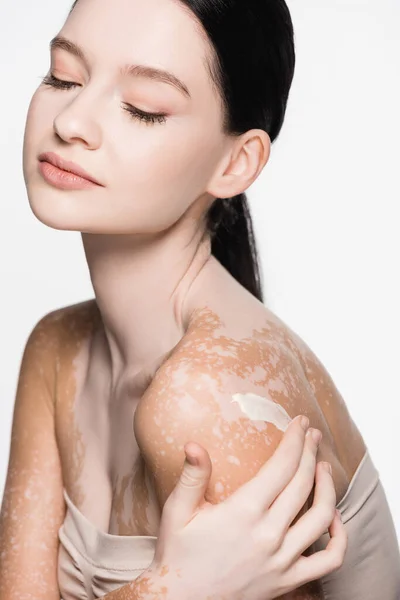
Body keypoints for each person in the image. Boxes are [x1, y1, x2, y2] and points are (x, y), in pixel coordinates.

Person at [0, 0, 399, 598]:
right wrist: (172, 589)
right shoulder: (58, 353)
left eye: (143, 108)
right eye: (63, 76)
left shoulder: (205, 401)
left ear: (237, 162)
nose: (72, 120)